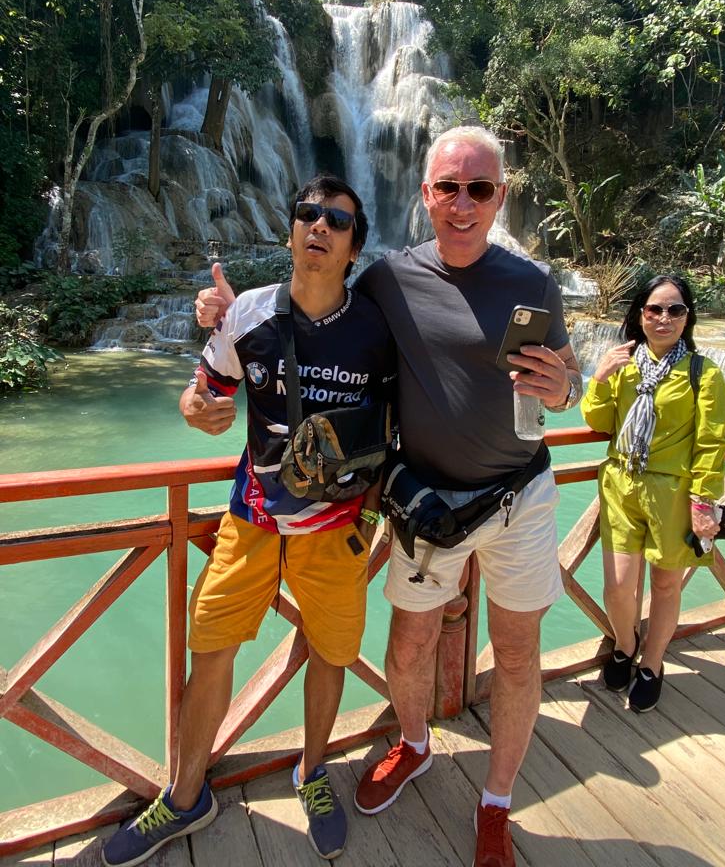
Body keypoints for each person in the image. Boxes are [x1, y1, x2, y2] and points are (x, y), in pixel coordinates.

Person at [195, 127, 581, 867]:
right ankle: (413, 744)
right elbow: (310, 303)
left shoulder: (531, 284)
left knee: (520, 650)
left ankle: (496, 801)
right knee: (407, 646)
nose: (461, 203)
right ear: (425, 195)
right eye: (447, 188)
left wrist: (570, 390)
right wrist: (222, 316)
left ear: (500, 197)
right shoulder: (389, 280)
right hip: (426, 502)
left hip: (520, 496)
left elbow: (562, 379)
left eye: (479, 189)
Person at [102, 175, 395, 867]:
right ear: (290, 230)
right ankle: (185, 795)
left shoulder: (378, 332)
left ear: (355, 247)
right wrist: (193, 410)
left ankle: (313, 771)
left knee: (331, 653)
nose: (319, 227)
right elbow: (205, 395)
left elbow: (399, 421)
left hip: (338, 527)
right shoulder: (248, 316)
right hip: (254, 518)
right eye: (307, 215)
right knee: (211, 647)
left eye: (337, 221)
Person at [581, 274, 725, 712]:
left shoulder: (703, 373)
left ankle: (651, 663)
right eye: (654, 309)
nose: (663, 317)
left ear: (687, 318)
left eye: (675, 310)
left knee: (665, 586)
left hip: (673, 493)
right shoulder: (625, 364)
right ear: (640, 315)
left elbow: (712, 442)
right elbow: (600, 421)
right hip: (621, 486)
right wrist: (602, 377)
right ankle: (626, 645)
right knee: (617, 587)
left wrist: (704, 504)